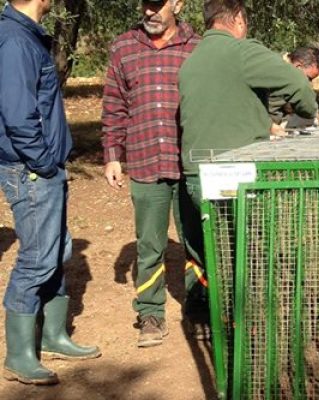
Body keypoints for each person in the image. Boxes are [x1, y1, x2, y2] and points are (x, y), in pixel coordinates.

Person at [177, 0, 318, 333]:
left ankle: (216, 316)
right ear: (238, 19)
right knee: (251, 250)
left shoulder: (191, 61)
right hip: (236, 174)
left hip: (196, 176)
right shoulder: (241, 52)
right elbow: (300, 87)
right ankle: (250, 329)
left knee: (216, 248)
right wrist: (306, 112)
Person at [0, 0, 101, 385]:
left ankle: (55, 337)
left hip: (42, 168)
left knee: (57, 250)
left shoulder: (26, 36)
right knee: (36, 258)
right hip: (29, 170)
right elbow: (17, 113)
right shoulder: (14, 40)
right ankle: (19, 355)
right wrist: (42, 162)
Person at [101, 0, 201, 347]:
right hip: (145, 159)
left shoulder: (198, 46)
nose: (149, 12)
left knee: (197, 240)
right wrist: (113, 155)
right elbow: (114, 104)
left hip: (189, 163)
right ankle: (151, 313)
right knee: (149, 245)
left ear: (178, 4)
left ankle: (199, 308)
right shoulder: (124, 46)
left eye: (158, 4)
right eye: (145, 4)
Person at [269, 46, 319, 134]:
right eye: (308, 79)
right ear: (298, 66)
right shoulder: (272, 69)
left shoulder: (285, 71)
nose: (308, 84)